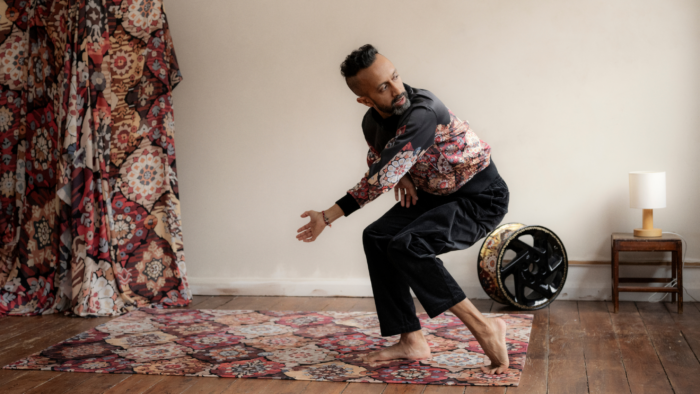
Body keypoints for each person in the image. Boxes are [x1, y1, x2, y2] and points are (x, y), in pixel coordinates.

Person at [296, 44, 510, 374]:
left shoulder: (423, 110)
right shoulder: (371, 122)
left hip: (479, 198)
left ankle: (485, 328)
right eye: (384, 87)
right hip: (434, 195)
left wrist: (327, 216)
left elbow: (381, 177)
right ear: (365, 100)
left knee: (407, 246)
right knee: (377, 237)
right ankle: (411, 340)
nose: (398, 90)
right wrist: (405, 174)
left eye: (395, 77)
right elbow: (379, 159)